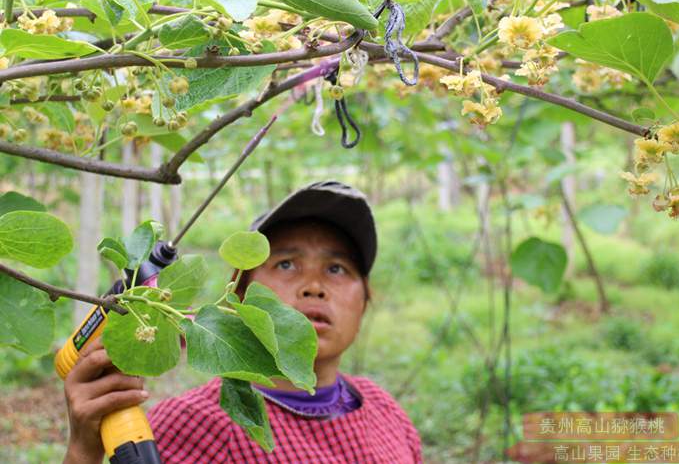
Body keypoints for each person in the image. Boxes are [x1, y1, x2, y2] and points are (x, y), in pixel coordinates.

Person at [62, 180, 422, 463]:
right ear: (238, 293)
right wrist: (84, 453)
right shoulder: (195, 425)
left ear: (365, 300)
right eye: (286, 264)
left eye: (336, 268)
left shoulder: (384, 409)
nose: (314, 287)